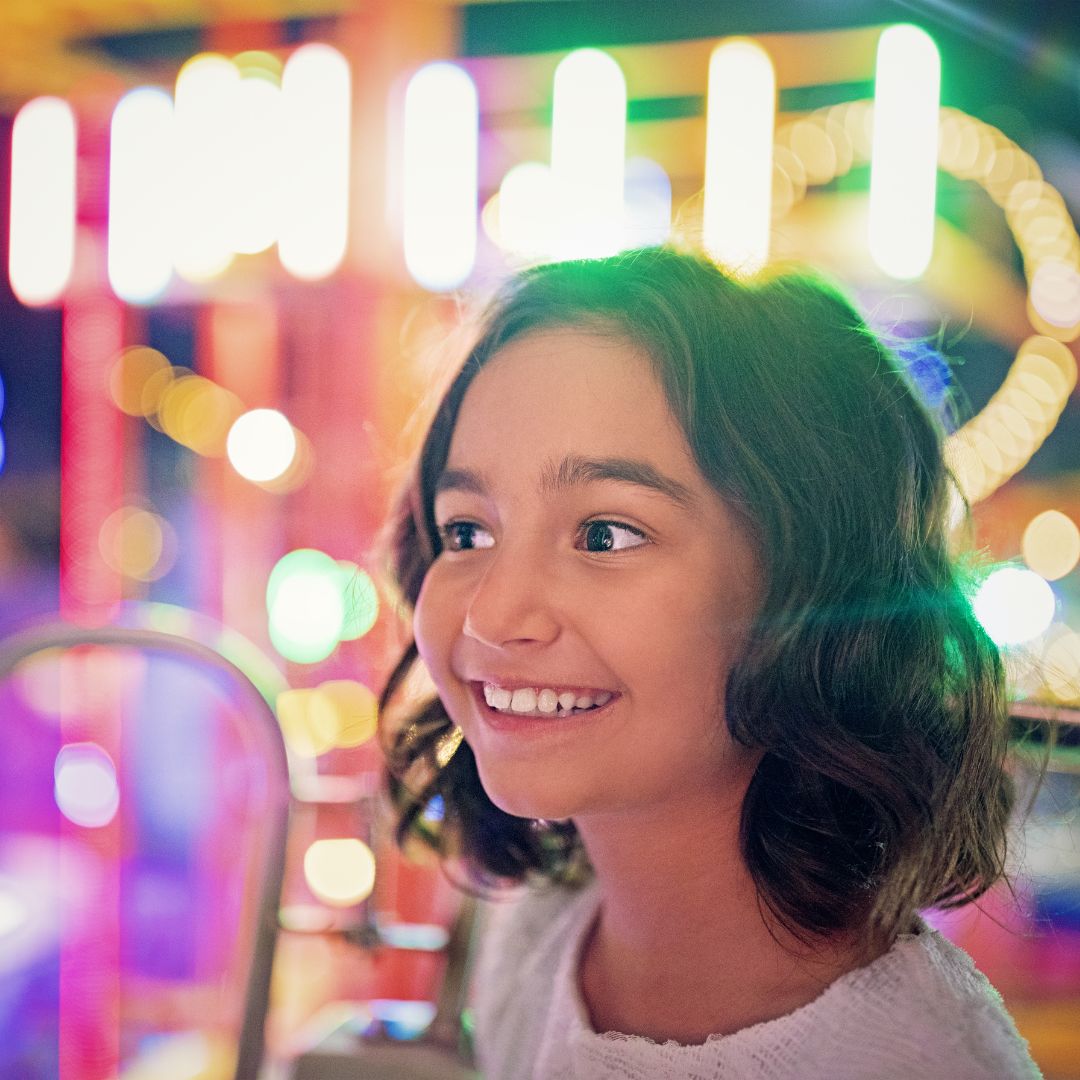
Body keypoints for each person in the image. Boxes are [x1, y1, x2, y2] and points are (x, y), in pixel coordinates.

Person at [376, 246, 1043, 1078]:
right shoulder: (536, 937)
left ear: (807, 584)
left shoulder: (913, 1057)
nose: (491, 613)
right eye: (466, 532)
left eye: (605, 535)